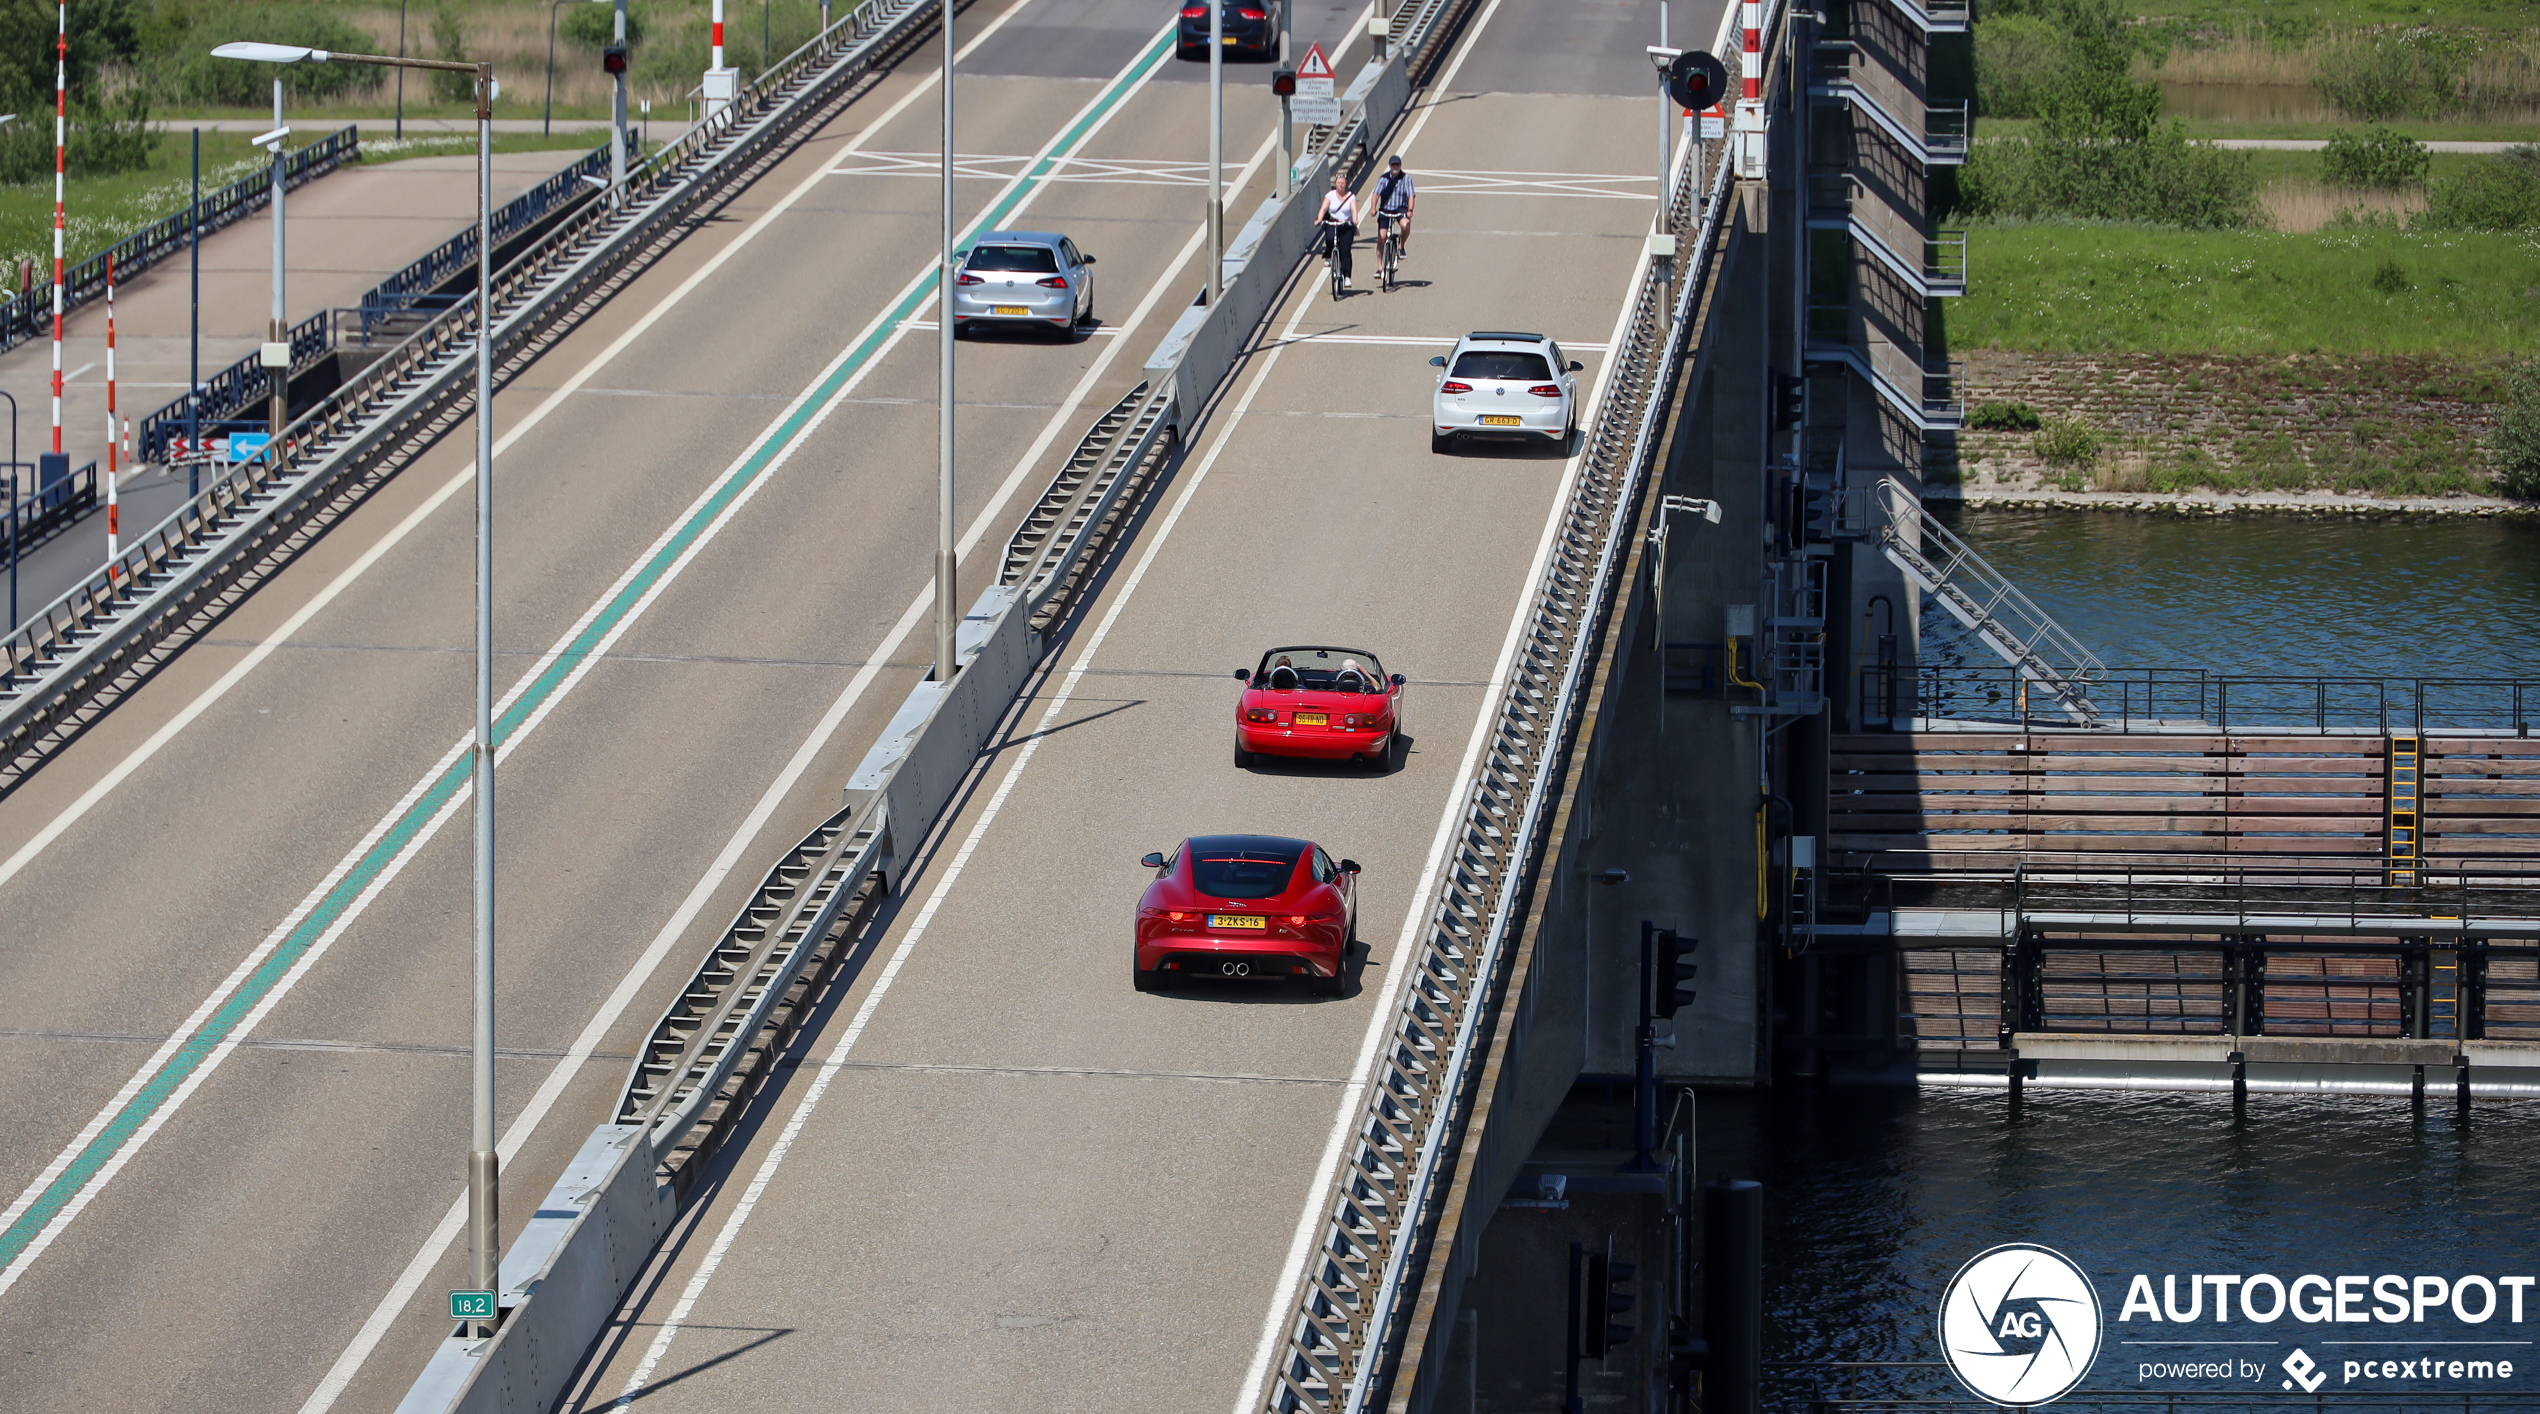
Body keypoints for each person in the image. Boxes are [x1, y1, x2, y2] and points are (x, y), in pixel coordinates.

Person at [1317, 172, 1357, 291]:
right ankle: (1329, 256)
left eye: (1342, 183)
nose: (1340, 185)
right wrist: (1319, 219)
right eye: (1338, 183)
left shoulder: (1351, 196)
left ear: (1346, 184)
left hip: (1346, 224)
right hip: (1333, 222)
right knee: (1329, 238)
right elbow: (1324, 208)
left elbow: (1354, 209)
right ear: (1335, 184)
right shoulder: (1330, 195)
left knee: (1345, 250)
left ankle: (1347, 276)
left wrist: (1354, 219)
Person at [1373, 155, 1416, 256]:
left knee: (1405, 225)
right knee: (1381, 238)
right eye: (1393, 165)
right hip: (1386, 209)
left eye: (1397, 165)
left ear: (1400, 165)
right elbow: (1375, 194)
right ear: (1390, 166)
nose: (1395, 167)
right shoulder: (1384, 179)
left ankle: (1401, 246)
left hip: (1400, 209)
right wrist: (1373, 208)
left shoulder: (1406, 178)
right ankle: (1380, 267)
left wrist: (1410, 210)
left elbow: (1411, 196)